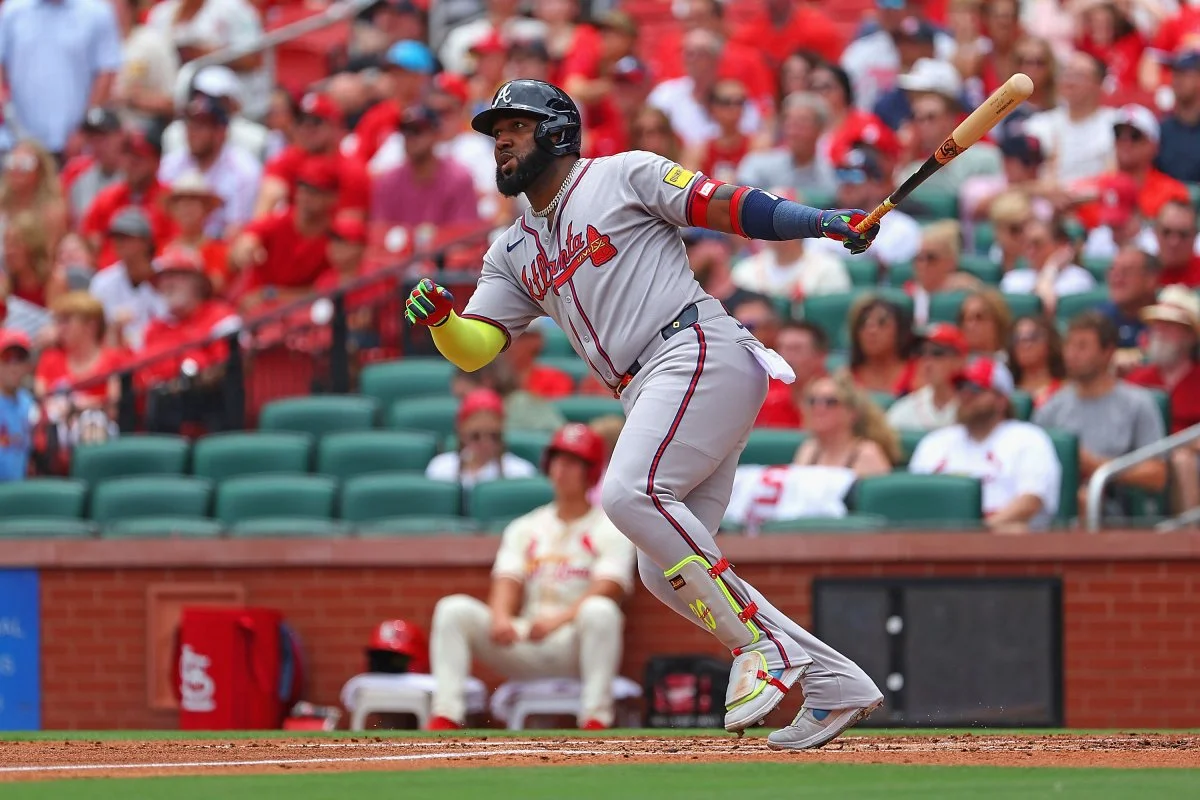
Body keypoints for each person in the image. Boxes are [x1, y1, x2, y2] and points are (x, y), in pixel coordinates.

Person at [404, 78, 884, 750]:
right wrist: (444, 323)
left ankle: (767, 648)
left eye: (515, 127)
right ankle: (834, 682)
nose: (502, 142)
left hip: (693, 347)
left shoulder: (622, 175)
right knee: (660, 568)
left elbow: (725, 205)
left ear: (557, 132)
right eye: (496, 132)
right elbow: (478, 346)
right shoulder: (510, 249)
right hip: (650, 385)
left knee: (630, 494)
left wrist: (818, 221)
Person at [428, 423, 635, 730]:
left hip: (573, 641)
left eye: (572, 463)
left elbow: (610, 587)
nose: (561, 470)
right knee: (453, 609)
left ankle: (595, 718)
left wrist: (558, 621)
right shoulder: (526, 526)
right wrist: (501, 618)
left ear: (591, 471)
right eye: (557, 461)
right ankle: (446, 716)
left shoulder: (610, 527)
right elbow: (507, 578)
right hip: (527, 636)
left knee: (601, 611)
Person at [1033, 311, 1167, 514]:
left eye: (1082, 346)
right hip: (1058, 504)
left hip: (1116, 505)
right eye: (1069, 345)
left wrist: (1095, 465)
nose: (1072, 354)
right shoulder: (1050, 407)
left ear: (1107, 352)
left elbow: (1157, 475)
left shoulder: (1138, 403)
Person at [909, 357, 1062, 532]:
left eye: (975, 389)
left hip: (1003, 540)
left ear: (1001, 400)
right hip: (939, 537)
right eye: (961, 388)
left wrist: (978, 531)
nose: (966, 395)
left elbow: (1030, 501)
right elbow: (916, 500)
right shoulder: (935, 442)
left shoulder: (1028, 439)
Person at [0, 0, 122, 160]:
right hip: (19, 140)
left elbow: (106, 73)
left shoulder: (97, 12)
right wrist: (11, 121)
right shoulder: (12, 10)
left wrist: (84, 130)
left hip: (78, 143)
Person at [227, 157, 338, 313]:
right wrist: (246, 249)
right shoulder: (280, 220)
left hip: (297, 312)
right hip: (252, 308)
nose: (306, 196)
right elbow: (248, 240)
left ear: (332, 197)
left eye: (315, 191)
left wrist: (271, 295)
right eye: (303, 188)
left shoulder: (335, 235)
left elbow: (324, 290)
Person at [1125, 286, 1200, 512]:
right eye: (1156, 325)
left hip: (1188, 461)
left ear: (1190, 335)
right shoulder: (1136, 379)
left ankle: (1189, 531)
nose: (1159, 331)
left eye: (1169, 326)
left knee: (1182, 460)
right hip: (1140, 457)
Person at [157, 93, 262, 240]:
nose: (192, 132)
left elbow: (238, 230)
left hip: (220, 247)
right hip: (175, 244)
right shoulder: (171, 164)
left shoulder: (244, 170)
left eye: (201, 126)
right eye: (190, 124)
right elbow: (161, 216)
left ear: (221, 132)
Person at [255, 92, 369, 221]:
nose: (306, 128)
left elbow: (351, 223)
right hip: (295, 228)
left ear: (334, 125)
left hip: (331, 230)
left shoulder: (351, 169)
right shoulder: (290, 157)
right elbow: (270, 194)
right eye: (301, 121)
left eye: (316, 122)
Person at [646, 29, 762, 150]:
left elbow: (751, 134)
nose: (690, 59)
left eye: (699, 53)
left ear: (716, 59)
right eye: (687, 53)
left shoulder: (735, 97)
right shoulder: (665, 95)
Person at [810, 143, 920, 269]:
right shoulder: (822, 225)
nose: (847, 183)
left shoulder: (903, 229)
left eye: (855, 175)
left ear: (876, 184)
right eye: (842, 174)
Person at [369, 106, 482, 229]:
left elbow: (464, 233)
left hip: (449, 242)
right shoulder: (388, 182)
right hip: (402, 242)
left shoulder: (458, 178)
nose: (410, 138)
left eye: (417, 131)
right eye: (405, 131)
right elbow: (380, 232)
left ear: (436, 134)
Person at [80, 125, 174, 270]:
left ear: (156, 161)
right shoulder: (107, 197)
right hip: (107, 276)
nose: (131, 163)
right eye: (127, 155)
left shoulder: (169, 200)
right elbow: (88, 240)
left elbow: (176, 248)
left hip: (155, 276)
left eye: (139, 157)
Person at [731, 191, 850, 301]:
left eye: (782, 220)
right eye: (768, 220)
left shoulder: (828, 268)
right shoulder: (745, 271)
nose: (773, 226)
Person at [1023, 51, 1117, 186]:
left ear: (1099, 83)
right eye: (1066, 74)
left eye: (1079, 76)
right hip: (1048, 196)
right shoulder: (1040, 124)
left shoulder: (1115, 124)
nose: (1070, 82)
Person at [425, 388, 538, 489]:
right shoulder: (441, 468)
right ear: (462, 432)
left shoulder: (520, 473)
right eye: (475, 436)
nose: (485, 443)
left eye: (494, 436)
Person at [88, 207, 167, 350]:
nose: (119, 242)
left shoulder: (168, 276)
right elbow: (95, 333)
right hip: (119, 355)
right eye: (116, 237)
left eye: (126, 237)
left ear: (146, 241)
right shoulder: (102, 281)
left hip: (161, 352)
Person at [792, 373, 898, 477]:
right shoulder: (808, 450)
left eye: (830, 402)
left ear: (852, 412)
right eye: (812, 401)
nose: (819, 408)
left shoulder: (867, 454)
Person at [34, 291, 122, 414]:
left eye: (66, 321)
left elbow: (114, 409)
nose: (60, 328)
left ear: (91, 325)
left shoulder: (113, 359)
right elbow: (41, 403)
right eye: (58, 322)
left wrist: (82, 405)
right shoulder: (50, 358)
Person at [736, 92, 836, 199]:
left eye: (801, 124)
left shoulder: (828, 173)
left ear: (819, 129)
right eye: (789, 123)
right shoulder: (758, 163)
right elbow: (740, 196)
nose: (792, 132)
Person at [1002, 217, 1095, 315]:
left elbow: (1047, 311)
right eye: (1027, 245)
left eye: (1037, 244)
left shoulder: (1078, 279)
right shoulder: (1013, 278)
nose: (1030, 251)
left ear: (1061, 245)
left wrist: (1051, 268)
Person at [887, 323, 969, 431]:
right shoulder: (907, 409)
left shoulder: (975, 407)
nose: (927, 362)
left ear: (959, 360)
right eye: (921, 352)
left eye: (937, 353)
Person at [162, 171, 230, 294]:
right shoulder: (162, 248)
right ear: (173, 211)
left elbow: (216, 286)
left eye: (193, 203)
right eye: (181, 204)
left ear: (206, 209)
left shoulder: (218, 250)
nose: (187, 209)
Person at [755, 321, 829, 429]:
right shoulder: (762, 393)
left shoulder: (836, 398)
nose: (787, 357)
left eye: (796, 349)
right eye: (782, 348)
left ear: (820, 356)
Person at [908, 220, 982, 327]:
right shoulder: (908, 292)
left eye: (930, 257)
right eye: (919, 258)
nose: (922, 264)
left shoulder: (968, 294)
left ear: (951, 261)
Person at [0, 141, 69, 254]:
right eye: (12, 162)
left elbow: (48, 255)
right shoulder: (2, 203)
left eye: (25, 164)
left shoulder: (51, 212)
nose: (16, 169)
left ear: (40, 171)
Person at [848, 295, 918, 396]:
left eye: (882, 323)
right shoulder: (846, 379)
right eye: (863, 324)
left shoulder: (919, 373)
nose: (871, 331)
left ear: (900, 330)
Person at [1155, 50, 1200, 184]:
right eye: (1175, 74)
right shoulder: (1162, 130)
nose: (1177, 80)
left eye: (1184, 73)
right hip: (1166, 194)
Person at [1007, 315, 1066, 410]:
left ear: (1049, 342)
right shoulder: (1005, 393)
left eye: (1033, 337)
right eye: (1017, 339)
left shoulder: (1064, 391)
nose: (1025, 345)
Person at [0, 330, 35, 482]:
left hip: (20, 489)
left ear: (28, 365)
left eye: (19, 359)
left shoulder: (29, 404)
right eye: (6, 358)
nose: (13, 366)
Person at [1153, 200, 1200, 288]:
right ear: (1155, 232)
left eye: (1183, 234)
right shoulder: (1140, 273)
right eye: (1166, 232)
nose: (1173, 242)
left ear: (1195, 236)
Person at [958, 288, 1012, 361]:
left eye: (979, 318)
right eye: (965, 318)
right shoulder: (953, 363)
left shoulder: (1013, 362)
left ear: (997, 322)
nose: (969, 325)